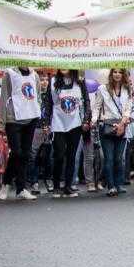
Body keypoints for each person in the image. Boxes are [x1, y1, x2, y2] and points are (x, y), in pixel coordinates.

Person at [42, 69, 90, 198]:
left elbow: (86, 101)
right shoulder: (53, 82)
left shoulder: (79, 82)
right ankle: (57, 185)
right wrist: (45, 123)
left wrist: (86, 120)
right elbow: (48, 103)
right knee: (59, 155)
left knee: (71, 156)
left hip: (75, 123)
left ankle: (68, 185)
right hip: (58, 123)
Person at [0, 65, 41, 201]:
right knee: (16, 152)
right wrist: (2, 120)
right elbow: (4, 96)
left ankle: (21, 188)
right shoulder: (9, 73)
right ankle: (6, 183)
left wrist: (37, 112)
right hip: (14, 118)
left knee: (25, 153)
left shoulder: (34, 75)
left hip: (31, 118)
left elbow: (37, 95)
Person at [93, 67, 134, 197]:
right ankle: (110, 186)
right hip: (107, 125)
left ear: (124, 75)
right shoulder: (102, 89)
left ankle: (119, 184)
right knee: (109, 158)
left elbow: (128, 108)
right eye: (115, 72)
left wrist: (122, 123)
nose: (117, 74)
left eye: (120, 72)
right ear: (111, 74)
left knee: (119, 158)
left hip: (122, 125)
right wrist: (93, 120)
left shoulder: (127, 89)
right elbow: (97, 107)